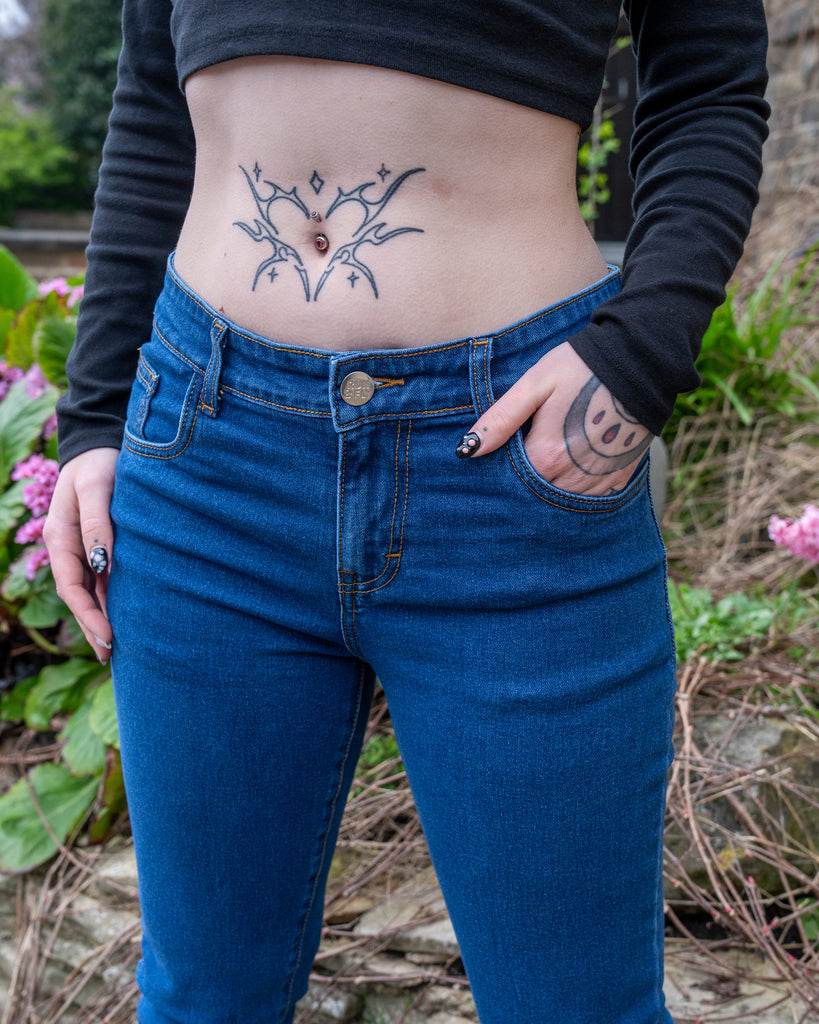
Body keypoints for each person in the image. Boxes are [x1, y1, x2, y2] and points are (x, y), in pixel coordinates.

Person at [43, 0, 769, 1021]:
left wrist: (640, 355)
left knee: (575, 1007)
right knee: (200, 1000)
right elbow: (153, 102)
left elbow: (709, 84)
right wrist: (95, 421)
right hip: (207, 463)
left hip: (510, 465)